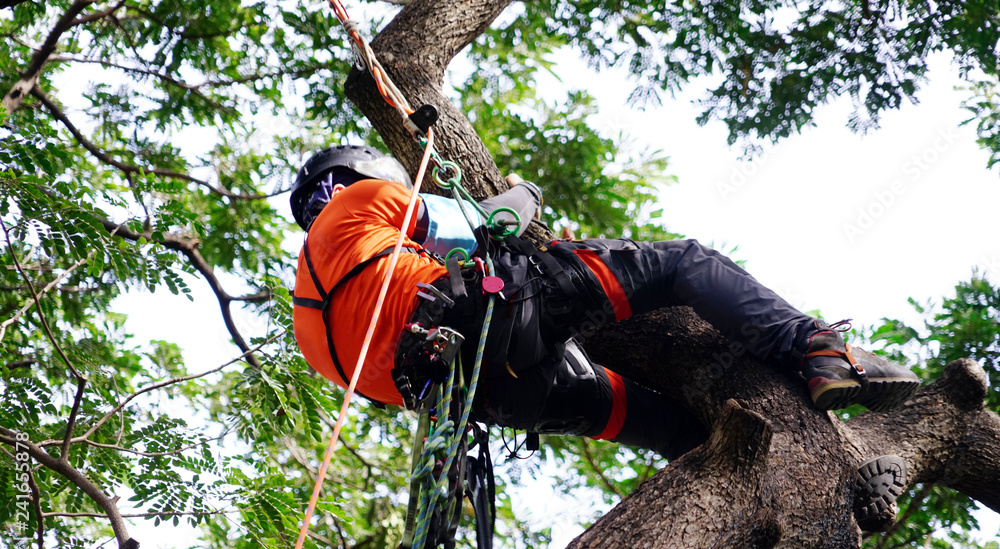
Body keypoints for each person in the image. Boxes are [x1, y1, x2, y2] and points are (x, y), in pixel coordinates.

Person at [290, 145, 921, 462]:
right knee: (682, 263)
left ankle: (776, 462)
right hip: (500, 316)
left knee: (664, 426)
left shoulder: (308, 337)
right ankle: (818, 350)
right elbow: (492, 222)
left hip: (496, 397)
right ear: (358, 174)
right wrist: (517, 198)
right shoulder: (354, 205)